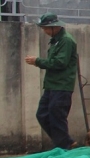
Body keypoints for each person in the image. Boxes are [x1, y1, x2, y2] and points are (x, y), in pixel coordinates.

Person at [23, 13, 78, 150]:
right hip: (52, 85)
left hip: (62, 85)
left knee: (57, 115)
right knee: (42, 114)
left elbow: (60, 63)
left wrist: (38, 61)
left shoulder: (66, 41)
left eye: (46, 28)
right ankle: (65, 142)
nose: (45, 31)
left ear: (56, 27)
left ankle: (64, 145)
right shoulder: (56, 40)